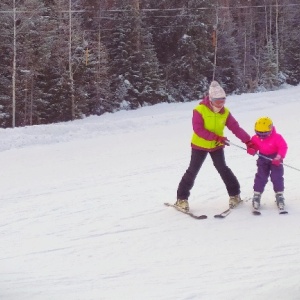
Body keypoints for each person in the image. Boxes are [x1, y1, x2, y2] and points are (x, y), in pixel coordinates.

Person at [175, 80, 253, 212]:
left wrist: (248, 141)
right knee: (192, 171)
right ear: (211, 99)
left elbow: (236, 128)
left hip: (217, 146)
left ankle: (235, 195)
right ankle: (181, 199)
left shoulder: (225, 112)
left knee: (223, 168)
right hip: (199, 145)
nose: (221, 104)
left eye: (223, 101)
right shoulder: (199, 110)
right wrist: (216, 137)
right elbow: (198, 130)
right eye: (218, 101)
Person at [246, 117, 288, 210]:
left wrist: (279, 157)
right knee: (261, 176)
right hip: (263, 158)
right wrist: (252, 149)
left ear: (270, 129)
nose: (261, 136)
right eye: (258, 133)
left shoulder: (277, 137)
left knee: (276, 177)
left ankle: (279, 194)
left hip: (275, 159)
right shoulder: (255, 138)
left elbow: (283, 147)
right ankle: (257, 194)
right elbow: (253, 145)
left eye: (264, 133)